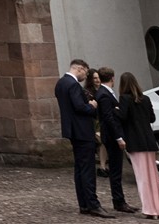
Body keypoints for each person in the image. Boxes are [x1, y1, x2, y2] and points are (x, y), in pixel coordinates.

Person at [59, 58, 109, 217]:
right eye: (86, 73)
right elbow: (79, 107)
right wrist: (92, 106)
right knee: (87, 169)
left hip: (73, 131)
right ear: (80, 69)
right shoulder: (73, 85)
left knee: (80, 169)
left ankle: (84, 204)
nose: (85, 77)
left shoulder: (61, 83)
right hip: (82, 131)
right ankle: (93, 204)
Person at [119, 73, 159, 220]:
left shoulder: (125, 99)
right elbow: (152, 118)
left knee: (142, 177)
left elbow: (122, 117)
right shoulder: (146, 99)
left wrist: (115, 109)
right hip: (148, 141)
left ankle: (150, 209)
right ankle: (158, 209)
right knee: (153, 177)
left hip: (135, 142)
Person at [96, 67, 139, 215]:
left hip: (112, 135)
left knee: (116, 170)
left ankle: (119, 201)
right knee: (115, 170)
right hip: (112, 136)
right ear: (112, 78)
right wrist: (119, 137)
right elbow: (109, 118)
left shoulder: (105, 93)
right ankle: (119, 201)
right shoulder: (103, 94)